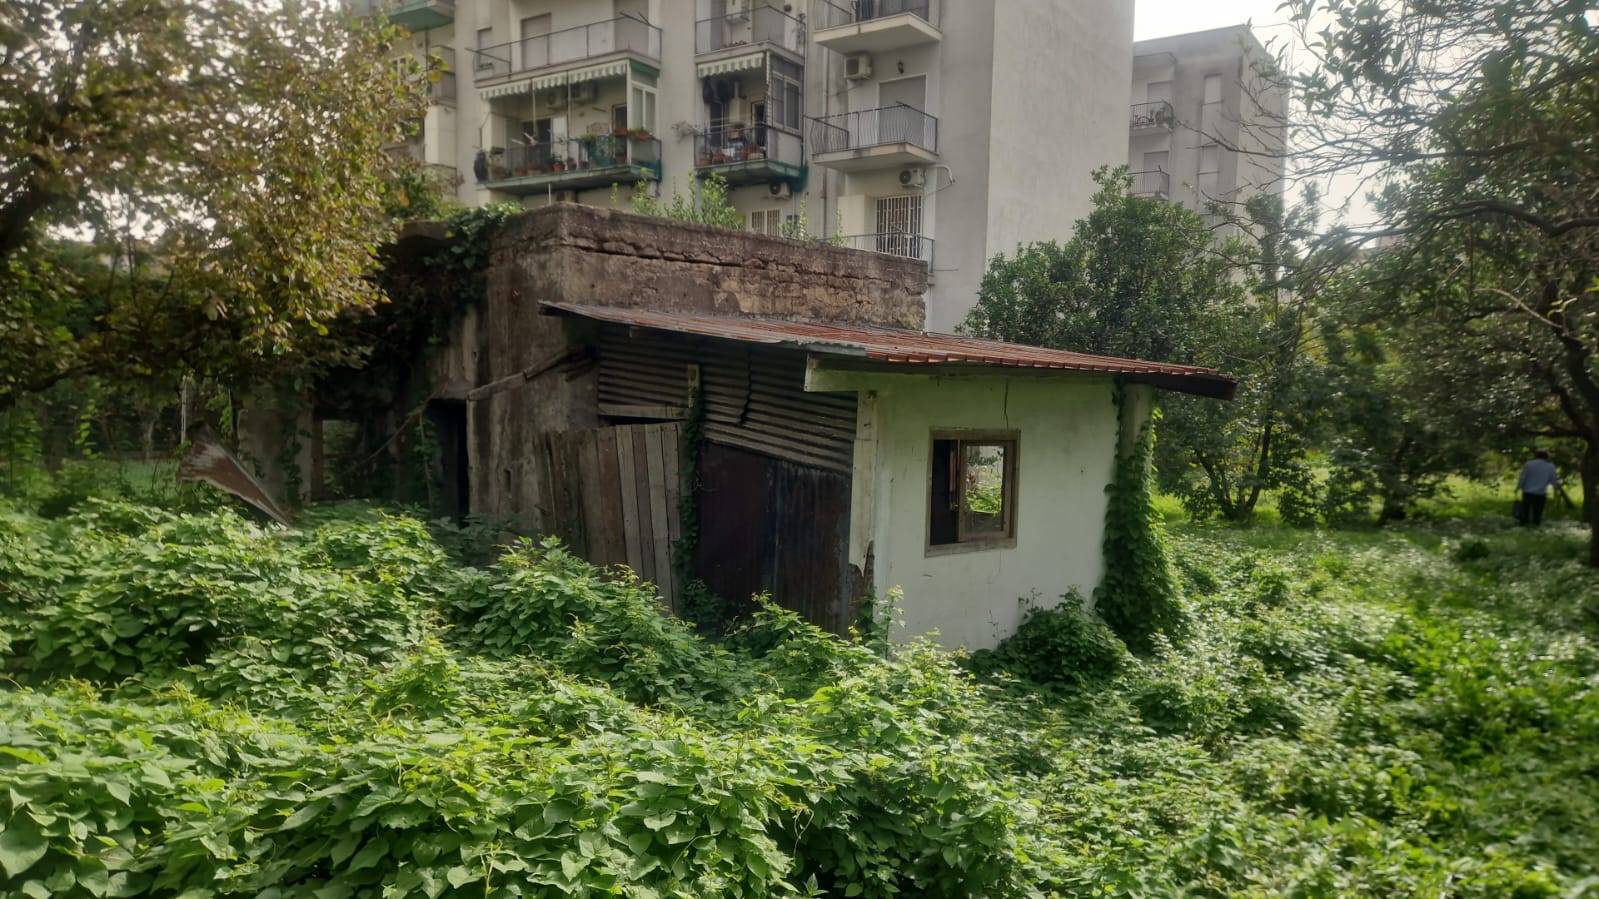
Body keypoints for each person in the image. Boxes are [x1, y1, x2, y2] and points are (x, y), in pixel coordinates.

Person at [1516, 449, 1563, 526]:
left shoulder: (1529, 464)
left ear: (1536, 456)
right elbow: (1553, 479)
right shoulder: (1550, 466)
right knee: (1537, 512)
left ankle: (1524, 525)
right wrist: (1557, 489)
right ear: (1547, 457)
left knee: (1525, 511)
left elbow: (1523, 477)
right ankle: (1535, 525)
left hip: (1528, 492)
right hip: (1540, 493)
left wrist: (1518, 487)